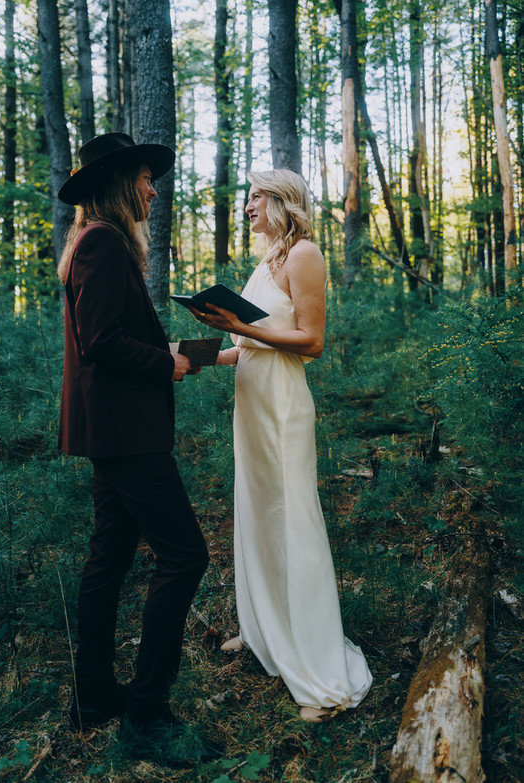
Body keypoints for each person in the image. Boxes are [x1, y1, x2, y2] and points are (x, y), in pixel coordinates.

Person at [57, 132, 218, 764]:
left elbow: (122, 338)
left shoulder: (95, 243)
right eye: (147, 179)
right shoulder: (102, 243)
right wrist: (167, 365)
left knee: (110, 556)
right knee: (185, 557)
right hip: (125, 434)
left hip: (113, 430)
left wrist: (208, 352)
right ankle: (145, 713)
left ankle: (95, 696)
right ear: (123, 183)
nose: (154, 188)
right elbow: (102, 343)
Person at [192, 168, 372, 722]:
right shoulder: (263, 262)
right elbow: (246, 348)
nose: (246, 208)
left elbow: (310, 343)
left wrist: (242, 328)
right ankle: (266, 628)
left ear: (283, 201)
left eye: (255, 198)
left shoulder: (304, 255)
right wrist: (190, 351)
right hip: (251, 404)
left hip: (283, 407)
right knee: (258, 513)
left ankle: (318, 666)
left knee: (292, 516)